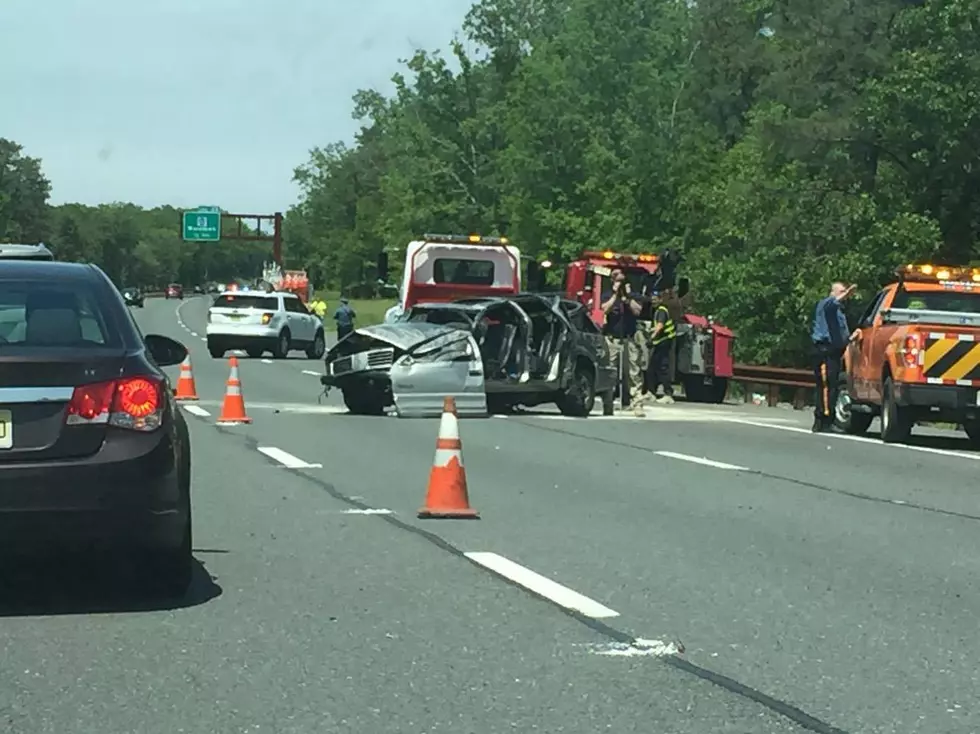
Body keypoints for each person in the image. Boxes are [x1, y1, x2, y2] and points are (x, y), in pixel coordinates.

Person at [811, 281, 859, 433]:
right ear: (832, 293)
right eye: (841, 292)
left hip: (834, 352)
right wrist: (846, 294)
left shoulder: (839, 313)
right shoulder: (825, 305)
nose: (844, 295)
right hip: (824, 350)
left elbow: (840, 337)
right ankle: (823, 420)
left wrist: (851, 338)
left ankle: (828, 419)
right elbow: (832, 303)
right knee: (826, 386)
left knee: (832, 386)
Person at [601, 269, 646, 417]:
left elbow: (638, 311)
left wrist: (627, 298)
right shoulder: (608, 295)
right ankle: (608, 404)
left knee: (634, 372)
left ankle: (637, 404)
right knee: (610, 372)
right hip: (612, 339)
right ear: (612, 281)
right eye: (616, 279)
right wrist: (615, 295)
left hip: (629, 339)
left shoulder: (631, 296)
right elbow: (605, 309)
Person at [647, 290, 676, 404]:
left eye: (655, 299)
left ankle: (668, 394)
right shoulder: (658, 310)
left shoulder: (661, 311)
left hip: (664, 342)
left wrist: (651, 338)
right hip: (662, 342)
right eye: (652, 299)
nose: (653, 301)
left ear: (660, 299)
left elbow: (660, 326)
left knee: (663, 368)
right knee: (652, 369)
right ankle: (651, 393)